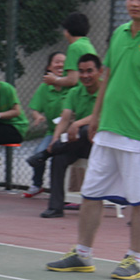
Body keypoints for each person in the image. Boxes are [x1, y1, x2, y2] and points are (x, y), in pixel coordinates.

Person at [46, 0, 140, 280]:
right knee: (91, 194)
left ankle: (134, 260)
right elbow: (107, 79)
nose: (134, 3)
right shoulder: (119, 33)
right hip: (107, 130)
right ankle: (83, 254)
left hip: (138, 135)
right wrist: (95, 117)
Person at [40, 53, 102, 218]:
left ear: (100, 72)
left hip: (99, 145)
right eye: (81, 71)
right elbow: (65, 117)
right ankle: (56, 207)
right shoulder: (75, 92)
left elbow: (101, 115)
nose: (85, 76)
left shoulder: (107, 91)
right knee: (58, 158)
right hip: (77, 144)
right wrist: (55, 138)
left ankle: (45, 153)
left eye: (89, 71)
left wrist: (77, 124)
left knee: (83, 130)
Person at [23, 52, 67, 197]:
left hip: (69, 132)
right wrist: (38, 116)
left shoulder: (73, 86)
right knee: (39, 152)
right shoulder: (44, 88)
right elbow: (35, 109)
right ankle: (37, 184)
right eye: (56, 62)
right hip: (52, 132)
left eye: (63, 62)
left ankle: (59, 189)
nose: (60, 65)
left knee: (58, 158)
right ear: (49, 67)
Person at [44, 12, 96, 89]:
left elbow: (72, 80)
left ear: (67, 32)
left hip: (77, 96)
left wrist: (55, 80)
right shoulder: (88, 45)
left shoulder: (74, 47)